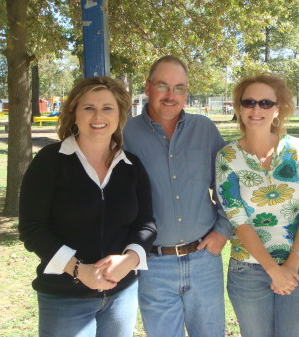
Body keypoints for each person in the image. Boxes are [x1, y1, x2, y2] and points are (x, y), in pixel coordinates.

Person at [19, 76, 157, 337]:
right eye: (88, 107)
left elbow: (146, 223)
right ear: (74, 113)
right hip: (65, 299)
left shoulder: (131, 166)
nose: (98, 116)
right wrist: (78, 270)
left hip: (121, 295)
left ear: (119, 115)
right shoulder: (50, 161)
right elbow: (32, 228)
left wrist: (130, 259)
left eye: (107, 108)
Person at [123, 56, 232, 337]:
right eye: (163, 86)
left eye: (179, 88)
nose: (171, 96)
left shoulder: (204, 129)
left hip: (204, 259)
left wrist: (222, 231)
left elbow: (228, 186)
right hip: (153, 264)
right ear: (147, 87)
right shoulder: (125, 134)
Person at [215, 74, 299, 337]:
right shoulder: (227, 156)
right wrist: (273, 270)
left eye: (265, 103)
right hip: (248, 270)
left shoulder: (296, 150)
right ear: (239, 108)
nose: (256, 109)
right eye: (248, 102)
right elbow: (237, 219)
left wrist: (291, 266)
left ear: (277, 109)